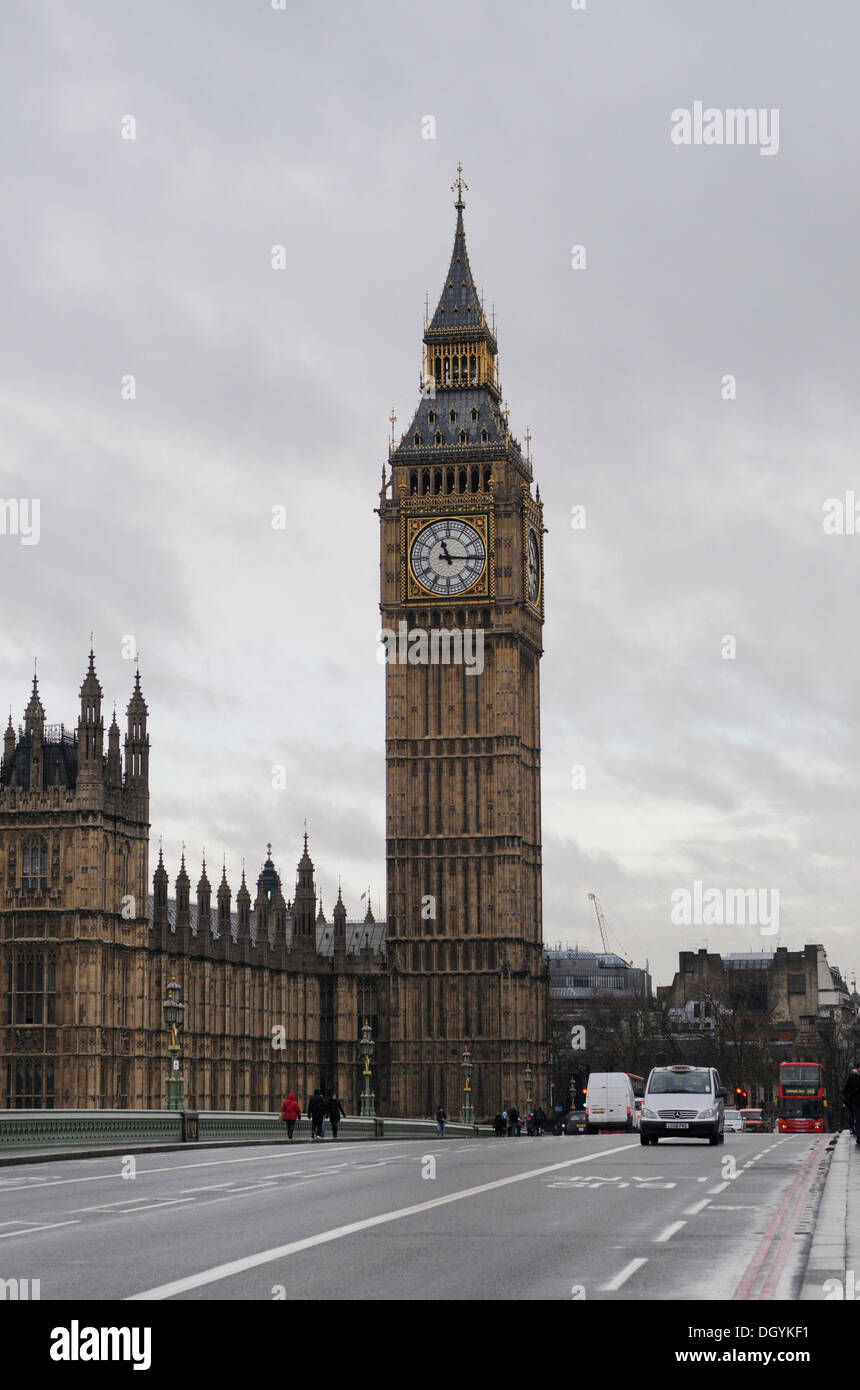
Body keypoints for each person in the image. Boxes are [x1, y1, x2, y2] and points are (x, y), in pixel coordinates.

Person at [842, 1063, 860, 1145]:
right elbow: (846, 1089)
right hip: (855, 1103)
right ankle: (859, 1136)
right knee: (858, 1118)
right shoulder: (853, 1077)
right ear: (857, 1069)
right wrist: (847, 1100)